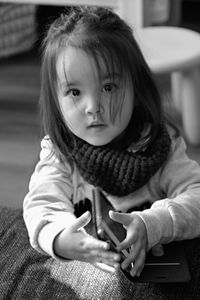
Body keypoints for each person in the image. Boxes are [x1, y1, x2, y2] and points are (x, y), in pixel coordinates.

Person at [23, 6, 200, 279]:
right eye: (74, 92)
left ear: (136, 89)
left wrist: (153, 224)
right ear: (56, 101)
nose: (93, 107)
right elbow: (40, 206)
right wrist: (59, 237)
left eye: (108, 87)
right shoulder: (59, 152)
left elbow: (197, 197)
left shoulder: (160, 143)